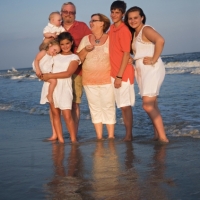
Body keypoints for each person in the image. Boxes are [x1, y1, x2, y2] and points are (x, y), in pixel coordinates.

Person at [124, 6, 169, 143]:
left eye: (135, 17)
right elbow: (141, 52)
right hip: (142, 70)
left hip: (152, 69)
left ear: (142, 17)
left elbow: (160, 40)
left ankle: (163, 137)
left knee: (147, 105)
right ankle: (157, 134)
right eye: (130, 18)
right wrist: (134, 59)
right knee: (153, 105)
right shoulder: (135, 34)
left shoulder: (146, 29)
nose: (132, 21)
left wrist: (154, 59)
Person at [77, 13, 116, 140]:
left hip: (107, 80)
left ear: (102, 23)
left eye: (94, 20)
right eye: (91, 20)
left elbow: (118, 55)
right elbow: (78, 59)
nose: (91, 22)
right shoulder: (85, 39)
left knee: (108, 106)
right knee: (94, 108)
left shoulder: (110, 38)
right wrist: (85, 50)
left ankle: (110, 136)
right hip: (89, 81)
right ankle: (99, 137)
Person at [41, 32, 80, 144]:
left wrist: (50, 76)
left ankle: (73, 139)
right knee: (55, 114)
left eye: (67, 43)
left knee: (67, 115)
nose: (65, 46)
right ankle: (61, 140)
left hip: (65, 87)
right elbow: (42, 53)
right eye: (62, 44)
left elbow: (68, 73)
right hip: (52, 87)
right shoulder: (54, 55)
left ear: (71, 43)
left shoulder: (74, 57)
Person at [60, 2, 91, 135]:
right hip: (59, 71)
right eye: (65, 12)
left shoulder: (82, 26)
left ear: (75, 14)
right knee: (60, 105)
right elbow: (45, 47)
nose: (68, 14)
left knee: (74, 104)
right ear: (61, 13)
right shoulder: (56, 28)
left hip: (77, 72)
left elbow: (93, 41)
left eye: (71, 12)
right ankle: (60, 133)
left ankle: (74, 133)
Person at [109, 1, 135, 141]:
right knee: (121, 106)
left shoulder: (124, 30)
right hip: (114, 73)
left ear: (123, 14)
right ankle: (128, 134)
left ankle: (129, 135)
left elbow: (126, 54)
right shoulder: (112, 28)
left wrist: (119, 76)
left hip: (123, 74)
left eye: (117, 12)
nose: (114, 15)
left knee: (125, 107)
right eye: (112, 12)